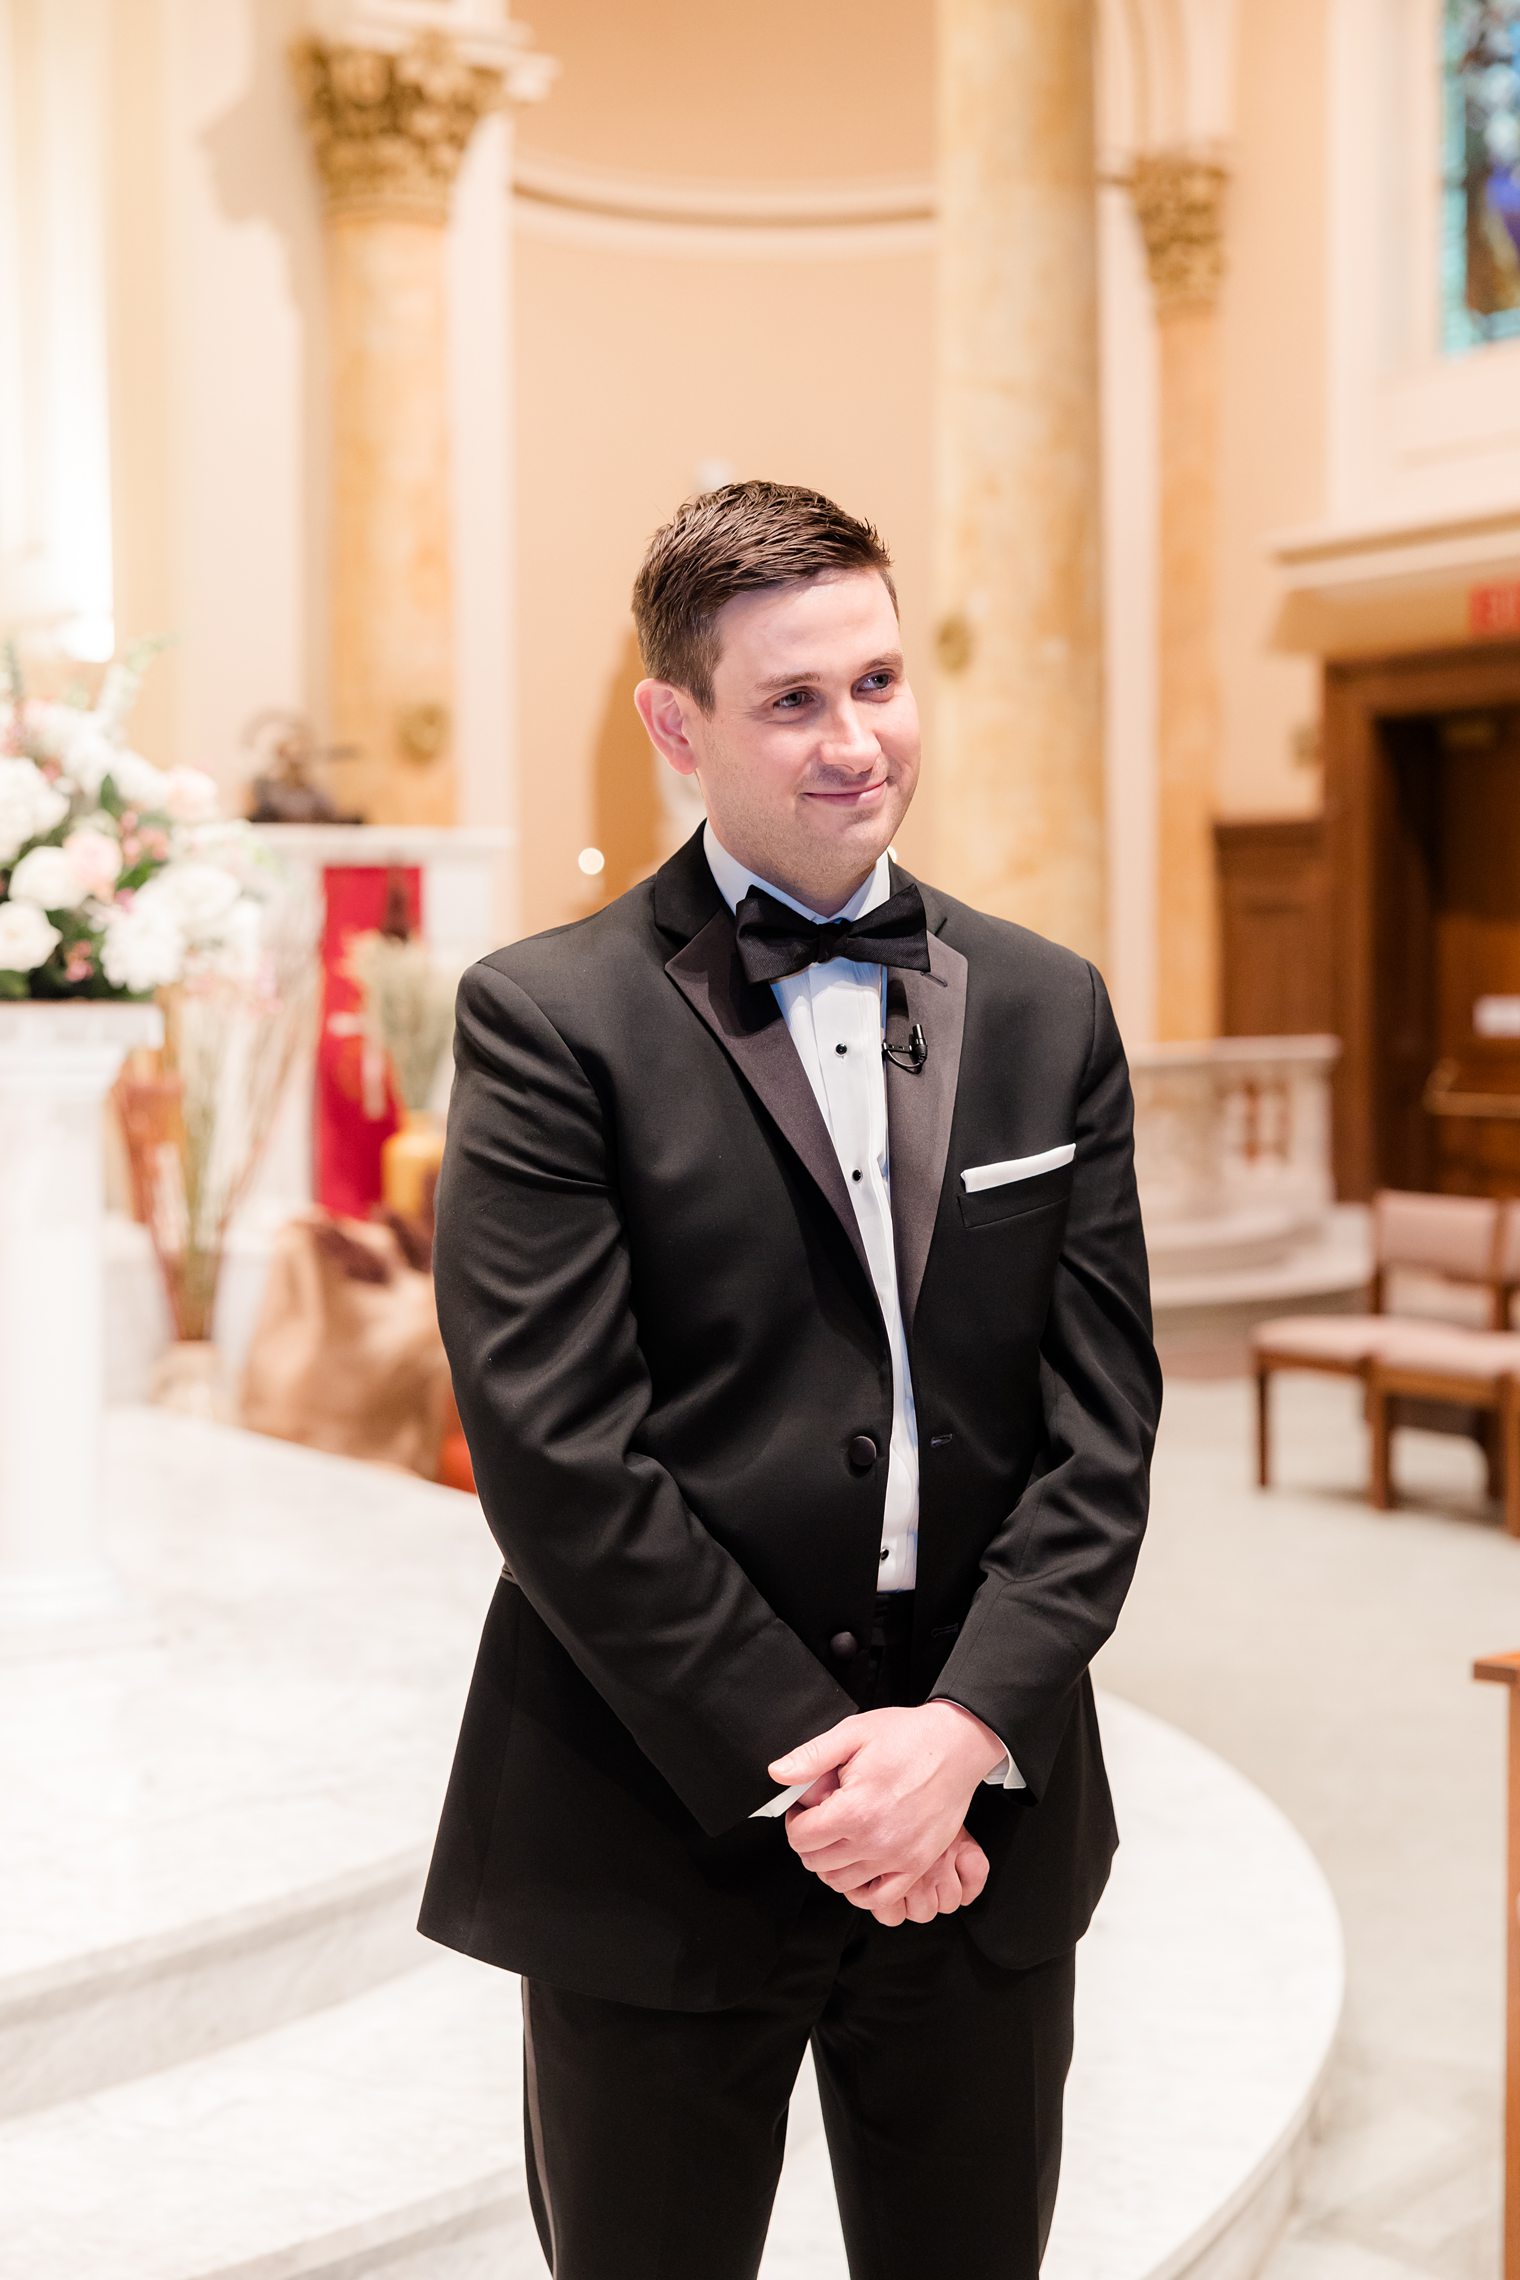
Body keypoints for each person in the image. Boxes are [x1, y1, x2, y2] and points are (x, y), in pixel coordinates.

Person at [418, 480, 1161, 2280]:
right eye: (794, 701)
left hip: (979, 1814)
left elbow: (1103, 1429)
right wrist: (834, 1770)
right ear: (679, 725)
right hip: (666, 1807)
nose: (859, 743)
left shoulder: (1049, 1003)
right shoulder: (550, 1018)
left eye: (882, 681)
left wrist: (962, 1731)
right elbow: (557, 1455)